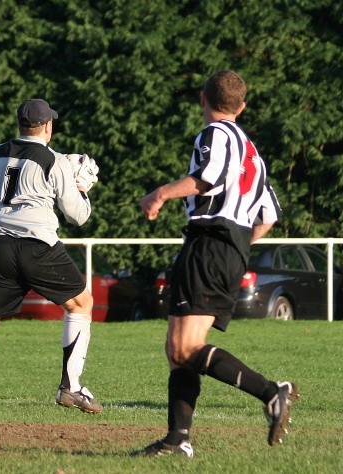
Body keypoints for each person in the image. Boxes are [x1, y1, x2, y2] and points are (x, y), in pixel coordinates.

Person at [137, 70, 295, 458]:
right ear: (241, 107)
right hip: (228, 249)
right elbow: (269, 216)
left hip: (209, 244)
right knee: (177, 349)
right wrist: (237, 246)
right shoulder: (253, 152)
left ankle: (272, 392)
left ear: (202, 99)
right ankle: (177, 438)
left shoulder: (215, 135)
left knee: (186, 347)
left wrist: (160, 194)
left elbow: (208, 177)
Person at [0, 98, 103, 422]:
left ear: (20, 124)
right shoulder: (54, 161)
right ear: (48, 126)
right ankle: (70, 386)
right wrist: (80, 186)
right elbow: (77, 216)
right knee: (81, 304)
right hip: (37, 246)